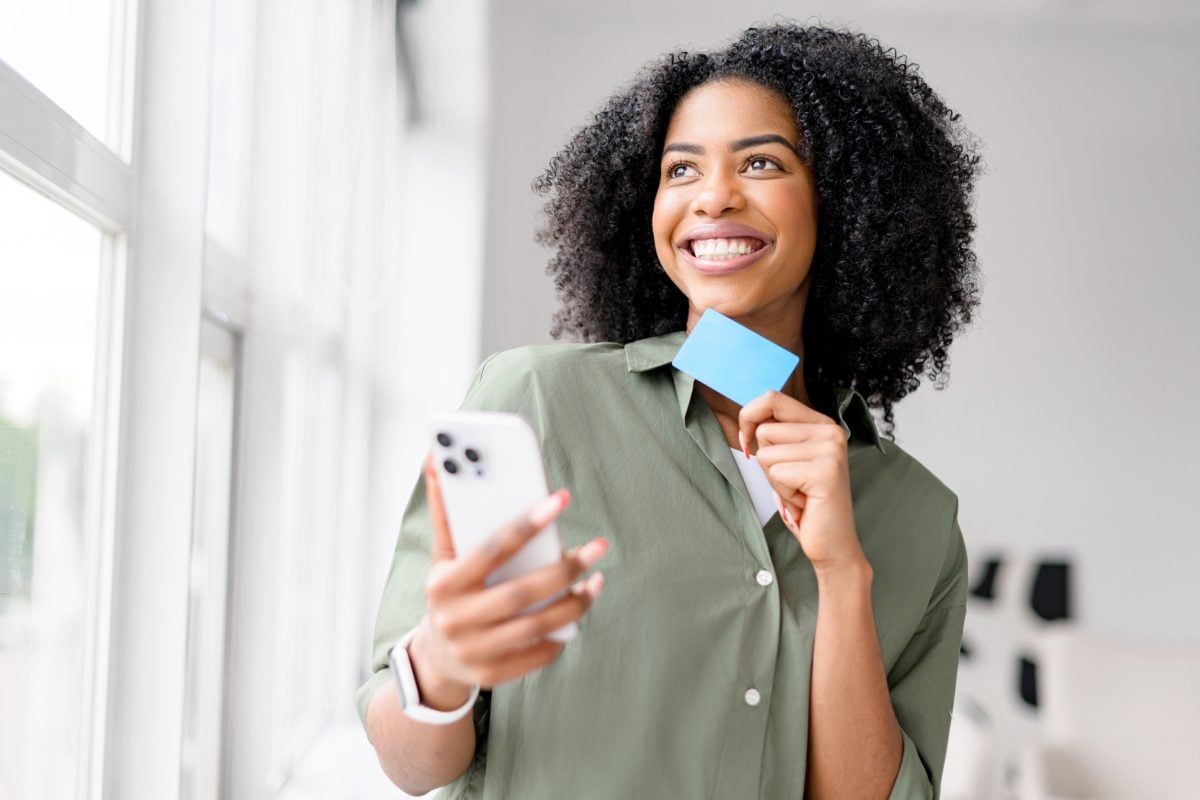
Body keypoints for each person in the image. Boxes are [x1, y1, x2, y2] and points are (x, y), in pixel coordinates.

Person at [358, 22, 980, 799]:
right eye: (680, 169)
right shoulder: (536, 405)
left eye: (760, 162)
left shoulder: (917, 518)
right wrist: (442, 666)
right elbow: (409, 765)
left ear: (848, 204)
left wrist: (842, 577)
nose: (713, 196)